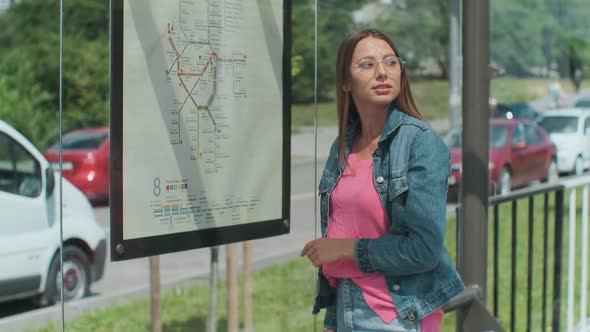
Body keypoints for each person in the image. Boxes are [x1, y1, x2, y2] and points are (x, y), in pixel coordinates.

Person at [300, 28, 464, 332]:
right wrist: (333, 319)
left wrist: (345, 249)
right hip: (348, 307)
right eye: (367, 64)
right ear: (346, 82)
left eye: (391, 62)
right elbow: (341, 229)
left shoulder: (420, 142)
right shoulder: (343, 146)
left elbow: (424, 249)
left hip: (398, 315)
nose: (382, 72)